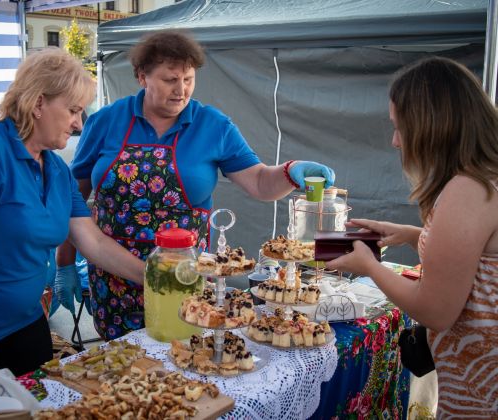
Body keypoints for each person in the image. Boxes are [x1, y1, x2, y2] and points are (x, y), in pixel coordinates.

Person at [68, 30, 335, 340]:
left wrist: (290, 171)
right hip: (113, 272)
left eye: (189, 79)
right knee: (127, 369)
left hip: (184, 275)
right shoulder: (106, 121)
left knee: (184, 353)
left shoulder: (213, 125)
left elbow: (261, 183)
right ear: (142, 77)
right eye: (170, 79)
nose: (181, 90)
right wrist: (64, 264)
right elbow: (73, 197)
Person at [0, 49, 145, 381]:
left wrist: (154, 276)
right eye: (73, 110)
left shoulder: (55, 167)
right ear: (38, 103)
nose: (79, 123)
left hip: (26, 320)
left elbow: (92, 242)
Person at [326, 57, 498, 417]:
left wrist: (369, 266)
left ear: (433, 125)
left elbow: (435, 312)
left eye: (400, 127)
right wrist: (413, 235)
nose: (395, 141)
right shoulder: (486, 174)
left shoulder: (468, 189)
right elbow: (481, 258)